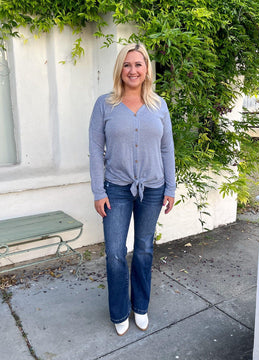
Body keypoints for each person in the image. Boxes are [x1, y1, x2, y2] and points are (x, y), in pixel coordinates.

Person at [89, 43, 176, 336]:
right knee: (115, 252)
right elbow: (95, 148)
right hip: (116, 189)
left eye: (138, 64)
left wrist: (171, 187)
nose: (133, 70)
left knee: (143, 250)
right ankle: (119, 311)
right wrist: (98, 191)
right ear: (120, 69)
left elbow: (167, 149)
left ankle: (140, 306)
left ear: (147, 69)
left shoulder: (158, 105)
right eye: (127, 65)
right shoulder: (105, 104)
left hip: (153, 188)